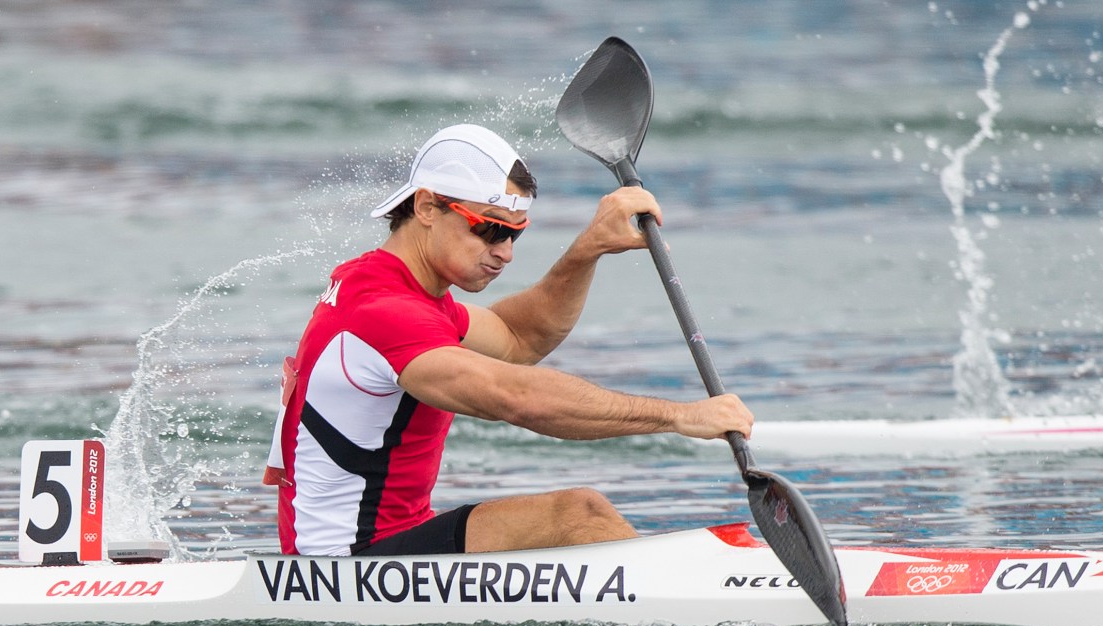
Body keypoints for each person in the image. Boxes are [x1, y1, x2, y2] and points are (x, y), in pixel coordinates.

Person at [264, 123, 753, 557]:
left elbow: (520, 336)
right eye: (490, 230)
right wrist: (679, 416)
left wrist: (588, 250)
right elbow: (514, 397)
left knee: (576, 519)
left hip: (390, 542)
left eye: (514, 236)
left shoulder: (390, 287)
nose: (504, 253)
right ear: (427, 206)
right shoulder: (384, 314)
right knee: (577, 514)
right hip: (345, 565)